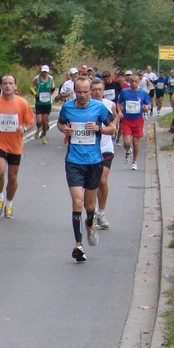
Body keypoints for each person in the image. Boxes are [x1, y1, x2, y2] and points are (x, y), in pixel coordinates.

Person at [57, 76, 116, 261]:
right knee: (77, 202)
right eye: (79, 92)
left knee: (90, 206)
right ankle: (78, 245)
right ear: (74, 91)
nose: (82, 95)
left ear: (91, 91)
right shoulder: (68, 107)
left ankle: (90, 222)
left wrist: (99, 128)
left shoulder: (98, 108)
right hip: (74, 161)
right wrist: (63, 130)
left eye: (85, 92)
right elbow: (60, 123)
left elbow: (113, 127)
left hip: (94, 162)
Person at [0, 74, 35, 219]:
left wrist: (24, 129)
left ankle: (9, 203)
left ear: (15, 86)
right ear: (1, 86)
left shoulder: (22, 103)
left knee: (12, 177)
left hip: (15, 144)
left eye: (10, 83)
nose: (7, 86)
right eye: (5, 83)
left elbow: (30, 122)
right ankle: (0, 197)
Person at [90, 77, 119, 230]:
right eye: (94, 90)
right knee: (92, 182)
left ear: (103, 91)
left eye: (100, 89)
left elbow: (115, 121)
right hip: (89, 149)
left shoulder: (109, 105)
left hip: (106, 147)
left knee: (102, 181)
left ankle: (101, 213)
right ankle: (92, 210)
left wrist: (111, 128)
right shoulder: (85, 106)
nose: (97, 92)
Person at [117, 71, 152, 169]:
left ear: (139, 81)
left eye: (136, 81)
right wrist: (119, 111)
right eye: (132, 81)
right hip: (127, 120)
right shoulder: (125, 92)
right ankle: (128, 151)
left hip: (138, 120)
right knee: (127, 142)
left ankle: (134, 162)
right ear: (129, 81)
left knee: (136, 143)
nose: (133, 83)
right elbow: (119, 103)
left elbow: (149, 104)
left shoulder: (143, 93)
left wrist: (147, 107)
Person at [30, 64, 56, 143]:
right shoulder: (37, 79)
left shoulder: (50, 79)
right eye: (43, 72)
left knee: (44, 121)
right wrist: (35, 93)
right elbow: (31, 87)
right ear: (41, 72)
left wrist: (51, 93)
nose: (44, 73)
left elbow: (53, 88)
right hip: (39, 102)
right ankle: (38, 129)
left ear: (48, 72)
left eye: (46, 72)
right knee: (38, 121)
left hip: (47, 103)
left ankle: (44, 136)